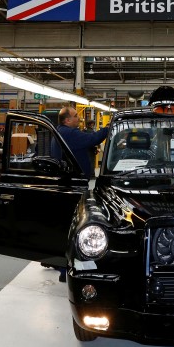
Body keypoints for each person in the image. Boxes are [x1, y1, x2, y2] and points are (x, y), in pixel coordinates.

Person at [53, 106, 109, 283]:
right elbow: (93, 138)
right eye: (76, 116)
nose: (79, 119)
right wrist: (109, 127)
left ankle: (58, 262)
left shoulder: (61, 131)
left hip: (67, 183)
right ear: (67, 120)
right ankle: (64, 269)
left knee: (64, 225)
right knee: (72, 227)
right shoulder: (70, 133)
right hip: (72, 185)